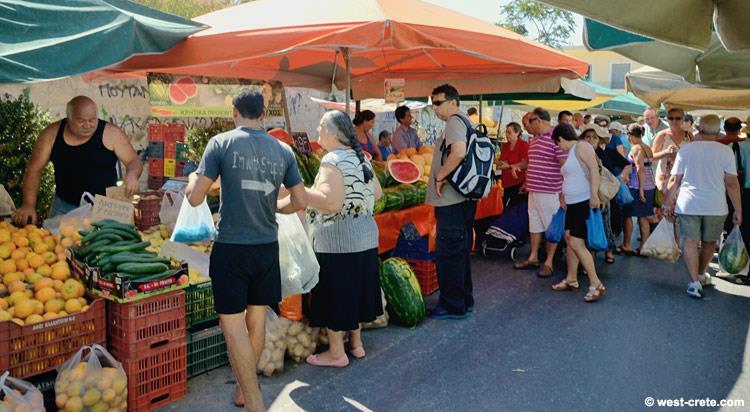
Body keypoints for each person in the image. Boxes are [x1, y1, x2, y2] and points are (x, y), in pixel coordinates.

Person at [185, 88, 307, 411]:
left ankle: (254, 402)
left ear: (234, 113)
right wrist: (275, 208)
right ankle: (244, 388)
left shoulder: (220, 143)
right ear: (264, 115)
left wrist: (190, 181)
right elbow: (300, 202)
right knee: (256, 318)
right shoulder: (283, 150)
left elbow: (195, 198)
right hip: (267, 247)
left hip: (231, 248)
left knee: (232, 324)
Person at [304, 110, 383, 367]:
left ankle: (337, 354)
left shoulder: (332, 160)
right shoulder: (362, 159)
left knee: (335, 296)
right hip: (365, 239)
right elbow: (378, 194)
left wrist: (300, 192)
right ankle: (356, 344)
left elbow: (331, 202)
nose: (317, 132)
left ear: (332, 132)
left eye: (319, 127)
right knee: (354, 294)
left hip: (337, 242)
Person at [13, 96, 142, 225]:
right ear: (69, 118)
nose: (88, 125)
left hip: (105, 208)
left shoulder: (112, 133)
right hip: (63, 208)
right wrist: (28, 205)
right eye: (81, 120)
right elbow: (34, 170)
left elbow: (133, 161)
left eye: (92, 120)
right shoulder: (51, 134)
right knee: (57, 243)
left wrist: (132, 174)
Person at [665, 115, 742, 299]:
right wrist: (738, 209)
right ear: (717, 131)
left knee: (690, 242)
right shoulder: (725, 152)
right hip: (716, 205)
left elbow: (675, 180)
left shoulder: (686, 150)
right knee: (709, 242)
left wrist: (667, 202)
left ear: (699, 129)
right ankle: (700, 274)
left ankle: (694, 282)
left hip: (688, 204)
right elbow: (732, 183)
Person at [425, 84, 474, 319]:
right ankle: (464, 299)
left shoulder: (454, 121)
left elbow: (459, 152)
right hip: (462, 199)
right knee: (460, 250)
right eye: (432, 103)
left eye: (438, 103)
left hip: (451, 200)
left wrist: (441, 175)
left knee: (450, 253)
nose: (434, 108)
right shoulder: (464, 121)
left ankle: (452, 305)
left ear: (453, 102)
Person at [550, 123, 607, 302]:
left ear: (560, 138)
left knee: (576, 242)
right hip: (573, 203)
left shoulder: (581, 146)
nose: (558, 147)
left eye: (557, 143)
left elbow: (594, 170)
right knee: (570, 239)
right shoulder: (574, 151)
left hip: (582, 202)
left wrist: (594, 196)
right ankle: (572, 278)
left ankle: (596, 283)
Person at [514, 108, 566, 278]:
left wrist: (564, 192)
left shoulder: (555, 137)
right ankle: (533, 257)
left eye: (530, 121)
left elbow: (564, 165)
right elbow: (531, 162)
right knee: (535, 226)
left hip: (550, 191)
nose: (527, 125)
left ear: (540, 120)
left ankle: (549, 262)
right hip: (534, 190)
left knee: (551, 228)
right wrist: (519, 169)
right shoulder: (534, 139)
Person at [580, 124, 629, 264]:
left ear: (599, 140)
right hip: (584, 194)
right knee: (590, 225)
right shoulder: (580, 154)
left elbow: (626, 163)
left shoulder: (606, 153)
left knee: (605, 224)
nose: (591, 140)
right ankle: (591, 256)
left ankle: (608, 251)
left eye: (594, 137)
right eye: (588, 137)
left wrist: (622, 176)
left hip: (603, 195)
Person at [618, 124, 656, 256]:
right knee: (643, 217)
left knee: (628, 215)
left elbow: (639, 169)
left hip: (637, 186)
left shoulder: (636, 148)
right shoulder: (647, 147)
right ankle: (644, 246)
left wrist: (640, 190)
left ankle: (627, 244)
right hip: (650, 185)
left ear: (631, 135)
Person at [652, 108, 691, 196]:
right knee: (665, 207)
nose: (674, 121)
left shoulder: (689, 135)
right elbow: (651, 156)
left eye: (678, 118)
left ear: (683, 119)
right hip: (665, 177)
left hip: (684, 176)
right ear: (667, 119)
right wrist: (665, 152)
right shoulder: (662, 135)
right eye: (671, 118)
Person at [496, 122, 529, 207]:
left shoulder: (523, 145)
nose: (506, 134)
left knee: (514, 210)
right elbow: (501, 164)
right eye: (506, 132)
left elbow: (525, 163)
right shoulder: (505, 146)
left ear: (517, 133)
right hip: (506, 183)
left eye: (509, 132)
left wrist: (509, 165)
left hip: (519, 183)